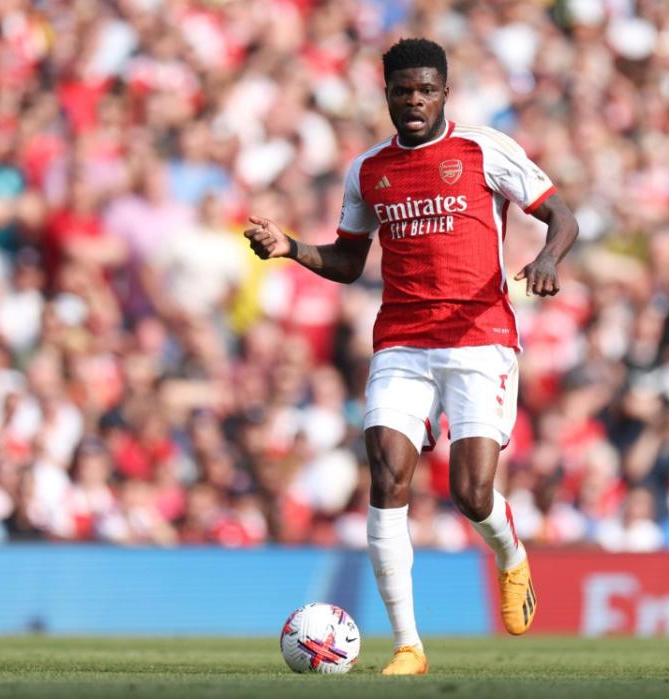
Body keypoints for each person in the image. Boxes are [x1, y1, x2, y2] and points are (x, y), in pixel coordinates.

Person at [245, 38, 578, 675]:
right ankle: (408, 646)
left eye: (426, 90)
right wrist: (289, 246)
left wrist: (545, 258)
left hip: (480, 339)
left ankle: (511, 557)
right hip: (402, 342)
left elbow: (562, 216)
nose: (415, 101)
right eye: (403, 91)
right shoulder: (369, 168)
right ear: (388, 95)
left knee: (471, 493)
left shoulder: (484, 149)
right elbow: (347, 261)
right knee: (386, 475)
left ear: (444, 92)